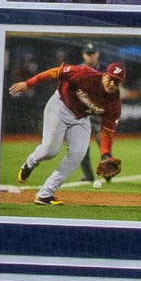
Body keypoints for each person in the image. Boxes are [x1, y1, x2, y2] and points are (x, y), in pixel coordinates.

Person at [10, 47, 126, 205]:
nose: (112, 83)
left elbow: (107, 131)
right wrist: (29, 84)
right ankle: (31, 162)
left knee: (78, 153)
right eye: (110, 78)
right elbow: (55, 72)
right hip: (60, 106)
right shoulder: (86, 74)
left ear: (121, 83)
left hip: (81, 117)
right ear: (104, 75)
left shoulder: (114, 104)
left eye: (117, 81)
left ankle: (45, 194)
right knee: (50, 151)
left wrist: (105, 154)